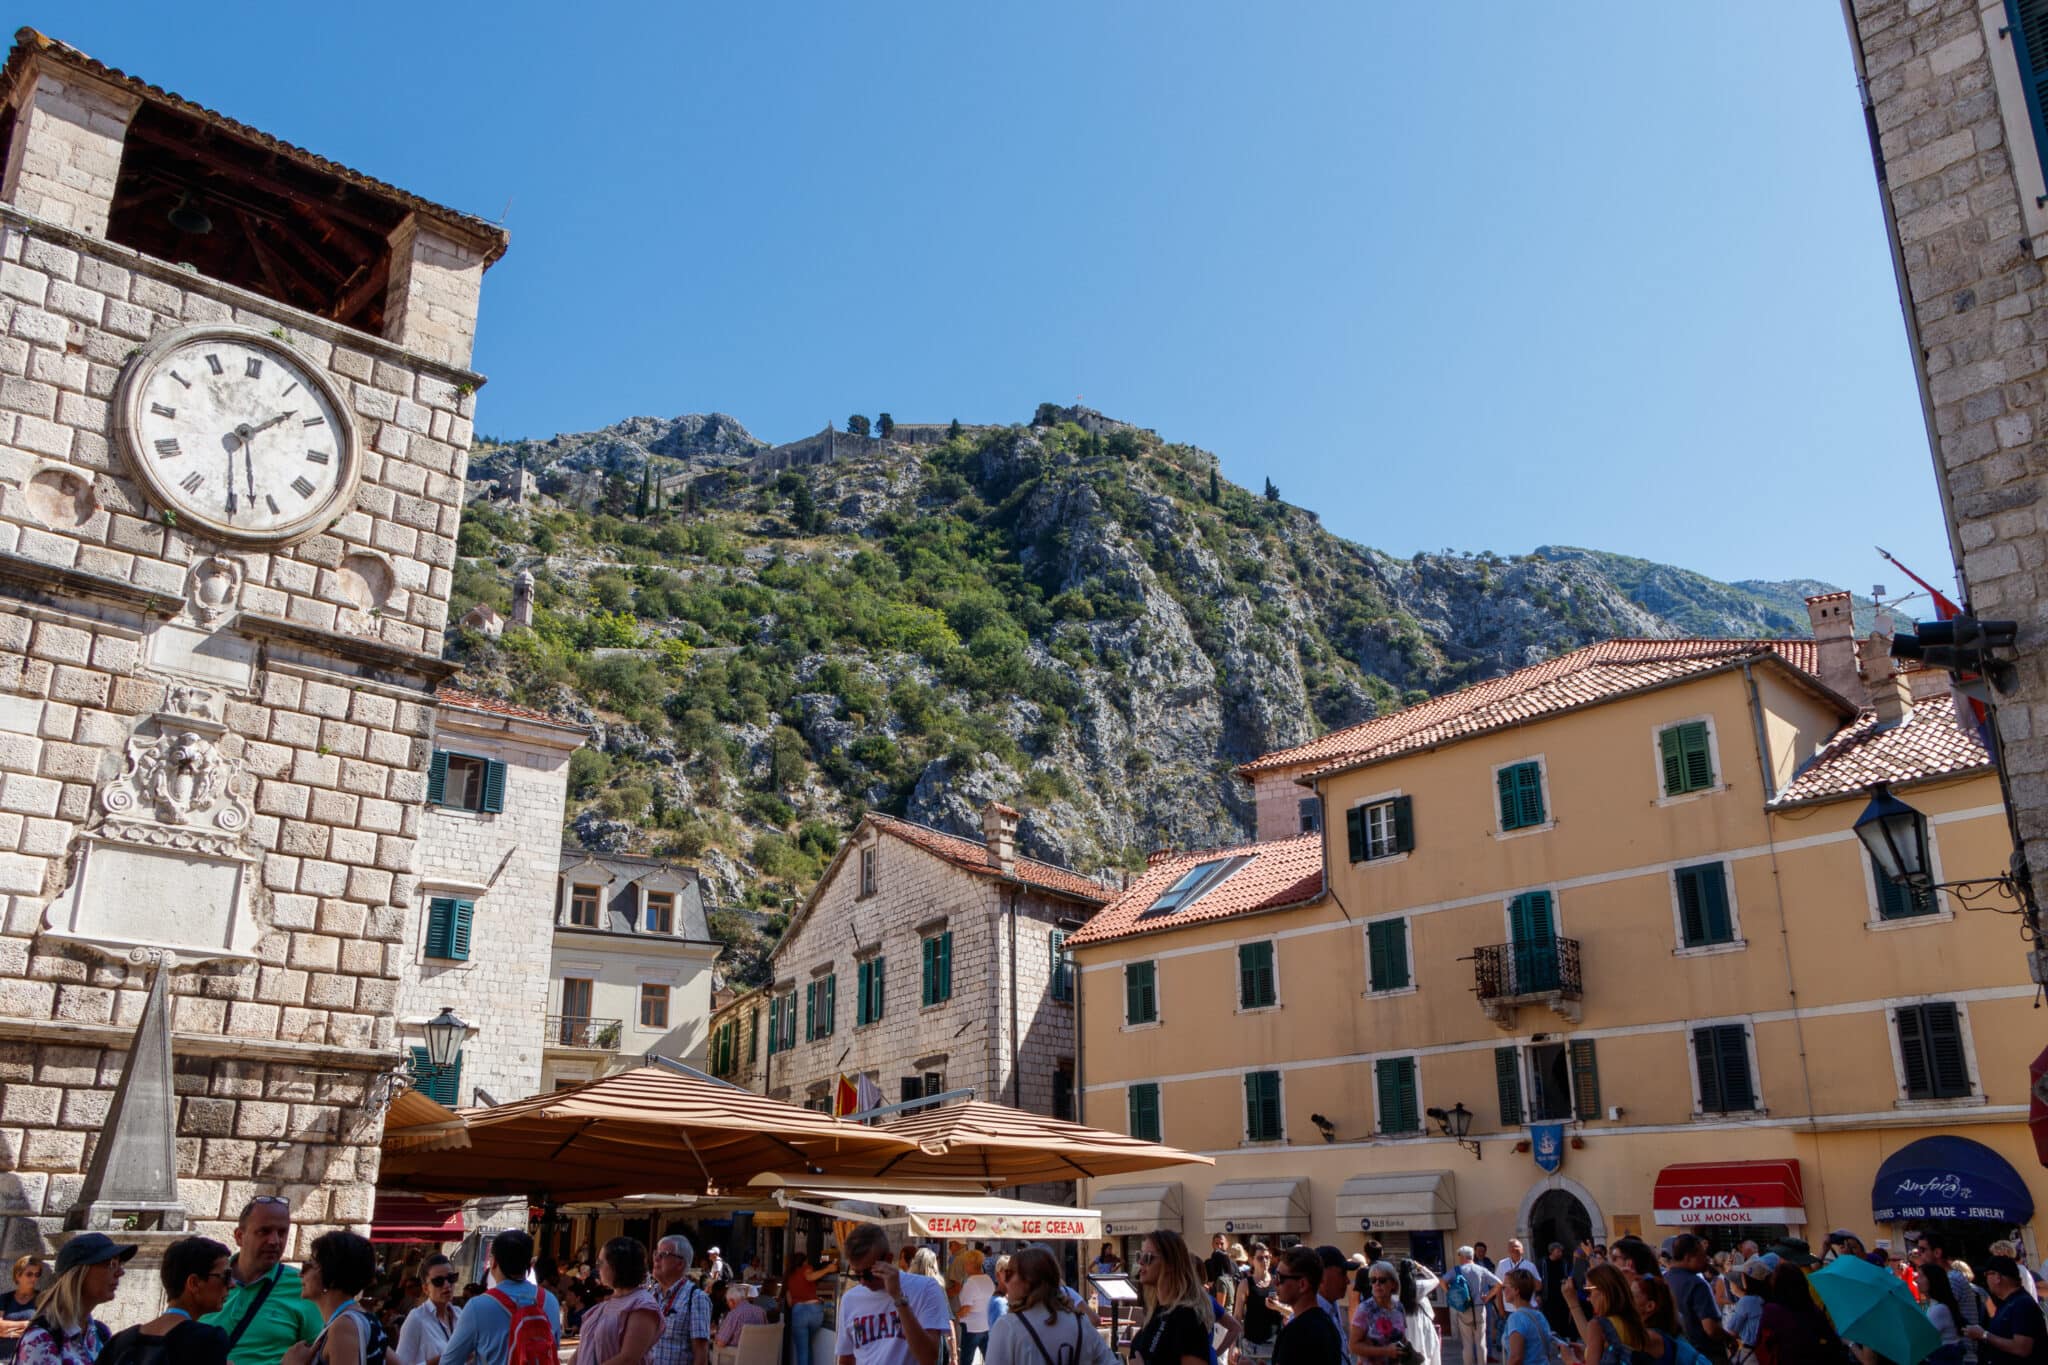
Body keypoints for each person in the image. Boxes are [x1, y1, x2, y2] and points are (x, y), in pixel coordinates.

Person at [204, 1199, 325, 1365]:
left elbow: (320, 1356)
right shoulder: (207, 1279)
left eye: (282, 1233)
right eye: (264, 1231)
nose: (274, 1241)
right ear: (239, 1236)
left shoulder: (303, 1286)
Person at [97, 1237, 234, 1365]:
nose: (232, 1284)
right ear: (194, 1283)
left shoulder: (119, 1342)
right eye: (226, 1276)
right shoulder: (208, 1340)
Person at [437, 1231, 561, 1365]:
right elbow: (553, 1348)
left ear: (494, 1262)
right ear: (530, 1264)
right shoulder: (550, 1301)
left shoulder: (478, 1307)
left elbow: (449, 1361)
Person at [836, 1224, 948, 1365]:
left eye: (868, 1274)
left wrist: (898, 1298)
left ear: (888, 1259)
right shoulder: (850, 1299)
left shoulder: (926, 1288)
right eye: (856, 1275)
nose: (863, 1282)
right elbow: (846, 1359)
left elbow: (929, 1358)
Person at [21, 1234, 136, 1365]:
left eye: (120, 1264)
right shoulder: (41, 1338)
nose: (120, 1272)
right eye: (112, 1264)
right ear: (80, 1273)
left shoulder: (100, 1333)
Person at [983, 1247, 1109, 1365]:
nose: (1006, 1280)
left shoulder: (1007, 1326)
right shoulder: (1081, 1322)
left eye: (1009, 1273)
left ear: (1027, 1281)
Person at [278, 1232, 379, 1365]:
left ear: (330, 1277)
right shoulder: (364, 1320)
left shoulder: (344, 1327)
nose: (300, 1273)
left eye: (310, 1264)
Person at [573, 1240, 659, 1365]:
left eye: (601, 1262)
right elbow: (582, 1349)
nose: (598, 1267)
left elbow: (628, 1359)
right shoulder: (606, 1304)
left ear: (617, 1266)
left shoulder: (642, 1305)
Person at [1131, 1231, 1211, 1365]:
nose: (1141, 1262)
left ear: (1170, 1264)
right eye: (1139, 1256)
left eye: (1148, 1257)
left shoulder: (1186, 1317)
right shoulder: (1156, 1312)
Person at [1752, 1263, 1848, 1365]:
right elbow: (1833, 1341)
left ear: (1778, 1285)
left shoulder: (1772, 1311)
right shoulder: (1813, 1310)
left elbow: (1761, 1343)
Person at [1965, 1255, 2047, 1362]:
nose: (1986, 1280)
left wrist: (1984, 1335)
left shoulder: (2022, 1304)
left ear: (1997, 1277)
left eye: (1987, 1274)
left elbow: (2022, 1348)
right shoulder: (2007, 1303)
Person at [1661, 1236, 1725, 1364]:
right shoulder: (1697, 1284)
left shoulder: (1664, 1280)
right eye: (1702, 1255)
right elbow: (1710, 1329)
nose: (1707, 1260)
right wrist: (1728, 1338)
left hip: (1678, 1353)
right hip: (1703, 1355)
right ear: (1688, 1257)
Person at [1918, 1233, 1987, 1351]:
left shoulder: (1951, 1279)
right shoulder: (1951, 1277)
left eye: (1923, 1250)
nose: (1920, 1255)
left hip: (1961, 1352)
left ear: (1937, 1253)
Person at [1270, 1249, 1339, 1365]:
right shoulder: (1328, 1324)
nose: (1275, 1283)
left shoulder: (1295, 1333)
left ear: (1302, 1285)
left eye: (1280, 1277)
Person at [650, 1236, 711, 1365]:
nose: (656, 1259)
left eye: (663, 1255)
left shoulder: (695, 1298)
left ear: (680, 1263)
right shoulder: (650, 1295)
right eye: (656, 1253)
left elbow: (701, 1353)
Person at [395, 1256, 461, 1365]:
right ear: (426, 1288)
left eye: (451, 1278)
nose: (447, 1285)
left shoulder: (459, 1314)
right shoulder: (417, 1319)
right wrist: (442, 1360)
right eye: (438, 1281)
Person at [1445, 1248, 1498, 1365]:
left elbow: (1442, 1281)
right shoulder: (1481, 1270)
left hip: (1463, 1308)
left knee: (1467, 1343)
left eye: (1460, 1256)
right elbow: (1499, 1284)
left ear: (1463, 1257)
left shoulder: (1456, 1270)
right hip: (1480, 1307)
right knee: (1481, 1343)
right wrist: (1488, 1297)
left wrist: (1450, 1294)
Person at [1346, 1264, 1404, 1365]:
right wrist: (1386, 1351)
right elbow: (1353, 1346)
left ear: (1393, 1284)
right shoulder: (1365, 1309)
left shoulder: (1399, 1307)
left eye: (1382, 1280)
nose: (1377, 1284)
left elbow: (1402, 1337)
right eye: (1373, 1280)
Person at [784, 1254, 835, 1365]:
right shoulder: (806, 1268)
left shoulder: (788, 1276)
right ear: (803, 1261)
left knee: (802, 1350)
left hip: (799, 1313)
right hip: (815, 1312)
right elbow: (809, 1277)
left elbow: (789, 1302)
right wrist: (827, 1269)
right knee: (807, 1347)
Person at [1498, 1270, 1556, 1365]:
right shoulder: (1539, 1315)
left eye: (1504, 1287)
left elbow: (1516, 1358)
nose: (1503, 1290)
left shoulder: (1516, 1318)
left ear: (1516, 1290)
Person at [1236, 1247, 1281, 1365]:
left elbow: (1290, 1311)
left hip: (1274, 1344)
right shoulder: (1245, 1284)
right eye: (1260, 1258)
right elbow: (1237, 1316)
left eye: (1267, 1257)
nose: (1265, 1261)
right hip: (1252, 1346)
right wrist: (1234, 1345)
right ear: (1252, 1260)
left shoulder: (1277, 1283)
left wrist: (1278, 1307)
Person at [1310, 1249, 1352, 1365]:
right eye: (1343, 1273)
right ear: (1322, 1276)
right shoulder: (1308, 1320)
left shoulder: (1332, 1307)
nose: (1347, 1281)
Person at [1393, 1261, 1440, 1365]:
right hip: (1420, 1320)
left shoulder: (1395, 1287)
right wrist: (1421, 1267)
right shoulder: (1420, 1285)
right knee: (1424, 1348)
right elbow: (1436, 1280)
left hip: (1402, 1322)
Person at [1720, 1258, 1770, 1355]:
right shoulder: (1767, 1296)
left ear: (1749, 1279)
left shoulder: (1747, 1301)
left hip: (1754, 1353)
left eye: (1743, 1275)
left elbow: (1731, 1332)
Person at [1919, 1263, 1966, 1365]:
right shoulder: (1933, 1305)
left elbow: (1922, 1338)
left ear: (1932, 1280)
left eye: (1921, 1276)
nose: (1917, 1280)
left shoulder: (1939, 1309)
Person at [954, 1254, 995, 1365]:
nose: (964, 1266)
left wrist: (955, 1316)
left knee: (966, 1360)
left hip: (971, 1328)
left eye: (966, 1264)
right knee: (990, 1359)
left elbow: (966, 1308)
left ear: (971, 1265)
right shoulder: (988, 1279)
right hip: (986, 1325)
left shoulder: (971, 1282)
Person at [1, 1260, 44, 1363]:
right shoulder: (5, 1298)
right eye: (29, 1274)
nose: (34, 1278)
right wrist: (26, 1324)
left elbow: (42, 1328)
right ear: (17, 1276)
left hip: (31, 1359)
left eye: (37, 1274)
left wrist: (8, 1332)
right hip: (3, 1358)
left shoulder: (43, 1298)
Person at [1538, 1246, 1574, 1345]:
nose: (1560, 1253)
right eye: (1558, 1251)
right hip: (1548, 1296)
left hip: (1563, 1296)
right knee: (1550, 1320)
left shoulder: (1564, 1263)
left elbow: (1569, 1275)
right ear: (1551, 1251)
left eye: (1561, 1251)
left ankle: (1563, 1342)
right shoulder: (1543, 1263)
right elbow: (1538, 1278)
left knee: (1563, 1319)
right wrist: (1538, 1294)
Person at [713, 1288, 763, 1354]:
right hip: (758, 1356)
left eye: (727, 1302)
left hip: (735, 1357)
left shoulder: (734, 1314)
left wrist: (716, 1336)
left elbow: (721, 1343)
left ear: (732, 1301)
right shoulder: (761, 1311)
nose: (728, 1305)